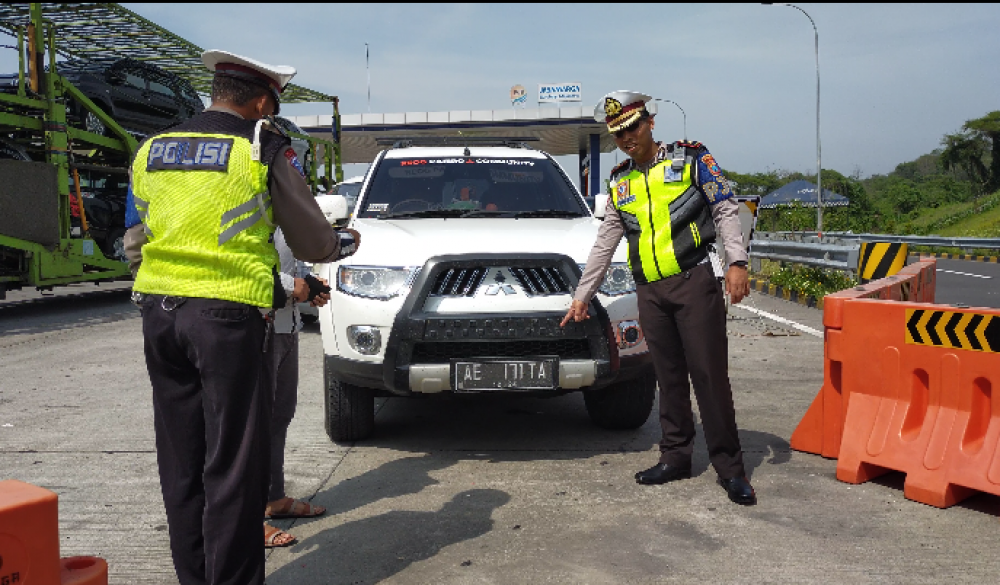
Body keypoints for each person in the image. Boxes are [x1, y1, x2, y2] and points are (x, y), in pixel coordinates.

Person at [124, 50, 353, 584]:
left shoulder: (153, 149)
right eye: (272, 103)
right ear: (259, 100)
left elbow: (136, 242)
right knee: (234, 464)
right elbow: (312, 238)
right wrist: (340, 243)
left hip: (159, 315)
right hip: (225, 319)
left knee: (181, 460)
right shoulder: (262, 146)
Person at [561, 91, 756, 506]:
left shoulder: (690, 160)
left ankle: (731, 468)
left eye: (632, 128)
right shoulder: (620, 182)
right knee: (666, 378)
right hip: (649, 291)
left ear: (650, 122)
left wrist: (736, 261)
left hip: (693, 283)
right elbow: (604, 243)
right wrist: (582, 295)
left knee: (708, 376)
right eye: (618, 134)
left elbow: (725, 207)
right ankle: (676, 457)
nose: (627, 138)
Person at [261, 226, 357, 548]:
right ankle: (246, 519)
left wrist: (307, 284)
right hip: (254, 324)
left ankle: (273, 497)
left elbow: (286, 257)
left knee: (279, 416)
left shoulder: (280, 201)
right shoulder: (246, 189)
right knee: (249, 427)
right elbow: (236, 260)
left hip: (285, 324)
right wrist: (293, 285)